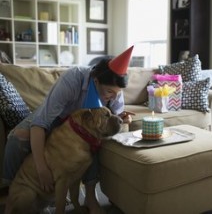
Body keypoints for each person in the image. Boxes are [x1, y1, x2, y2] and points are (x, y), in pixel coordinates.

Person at [3, 46, 135, 214]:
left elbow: (113, 118)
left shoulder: (114, 90)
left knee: (93, 141)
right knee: (17, 138)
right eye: (109, 91)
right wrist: (42, 168)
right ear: (96, 81)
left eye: (118, 93)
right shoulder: (74, 78)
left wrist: (123, 119)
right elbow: (40, 123)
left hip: (84, 125)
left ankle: (90, 196)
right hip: (58, 115)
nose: (114, 96)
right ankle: (11, 193)